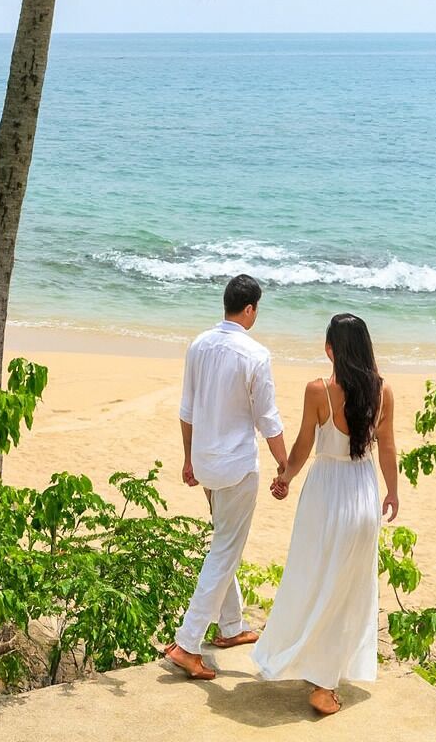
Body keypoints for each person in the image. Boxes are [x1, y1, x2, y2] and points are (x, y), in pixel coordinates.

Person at [251, 313, 399, 716]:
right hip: (362, 493)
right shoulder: (383, 392)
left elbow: (302, 445)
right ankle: (325, 677)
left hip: (325, 494)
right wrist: (393, 491)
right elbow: (387, 447)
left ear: (331, 348)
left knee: (314, 576)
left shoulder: (318, 390)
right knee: (350, 587)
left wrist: (285, 477)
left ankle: (320, 680)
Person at [162, 274, 288, 681]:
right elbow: (268, 420)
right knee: (225, 551)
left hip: (205, 462)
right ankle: (187, 642)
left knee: (224, 542)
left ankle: (231, 627)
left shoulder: (199, 344)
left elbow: (187, 409)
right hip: (236, 467)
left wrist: (188, 460)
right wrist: (285, 467)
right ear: (249, 309)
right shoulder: (255, 354)